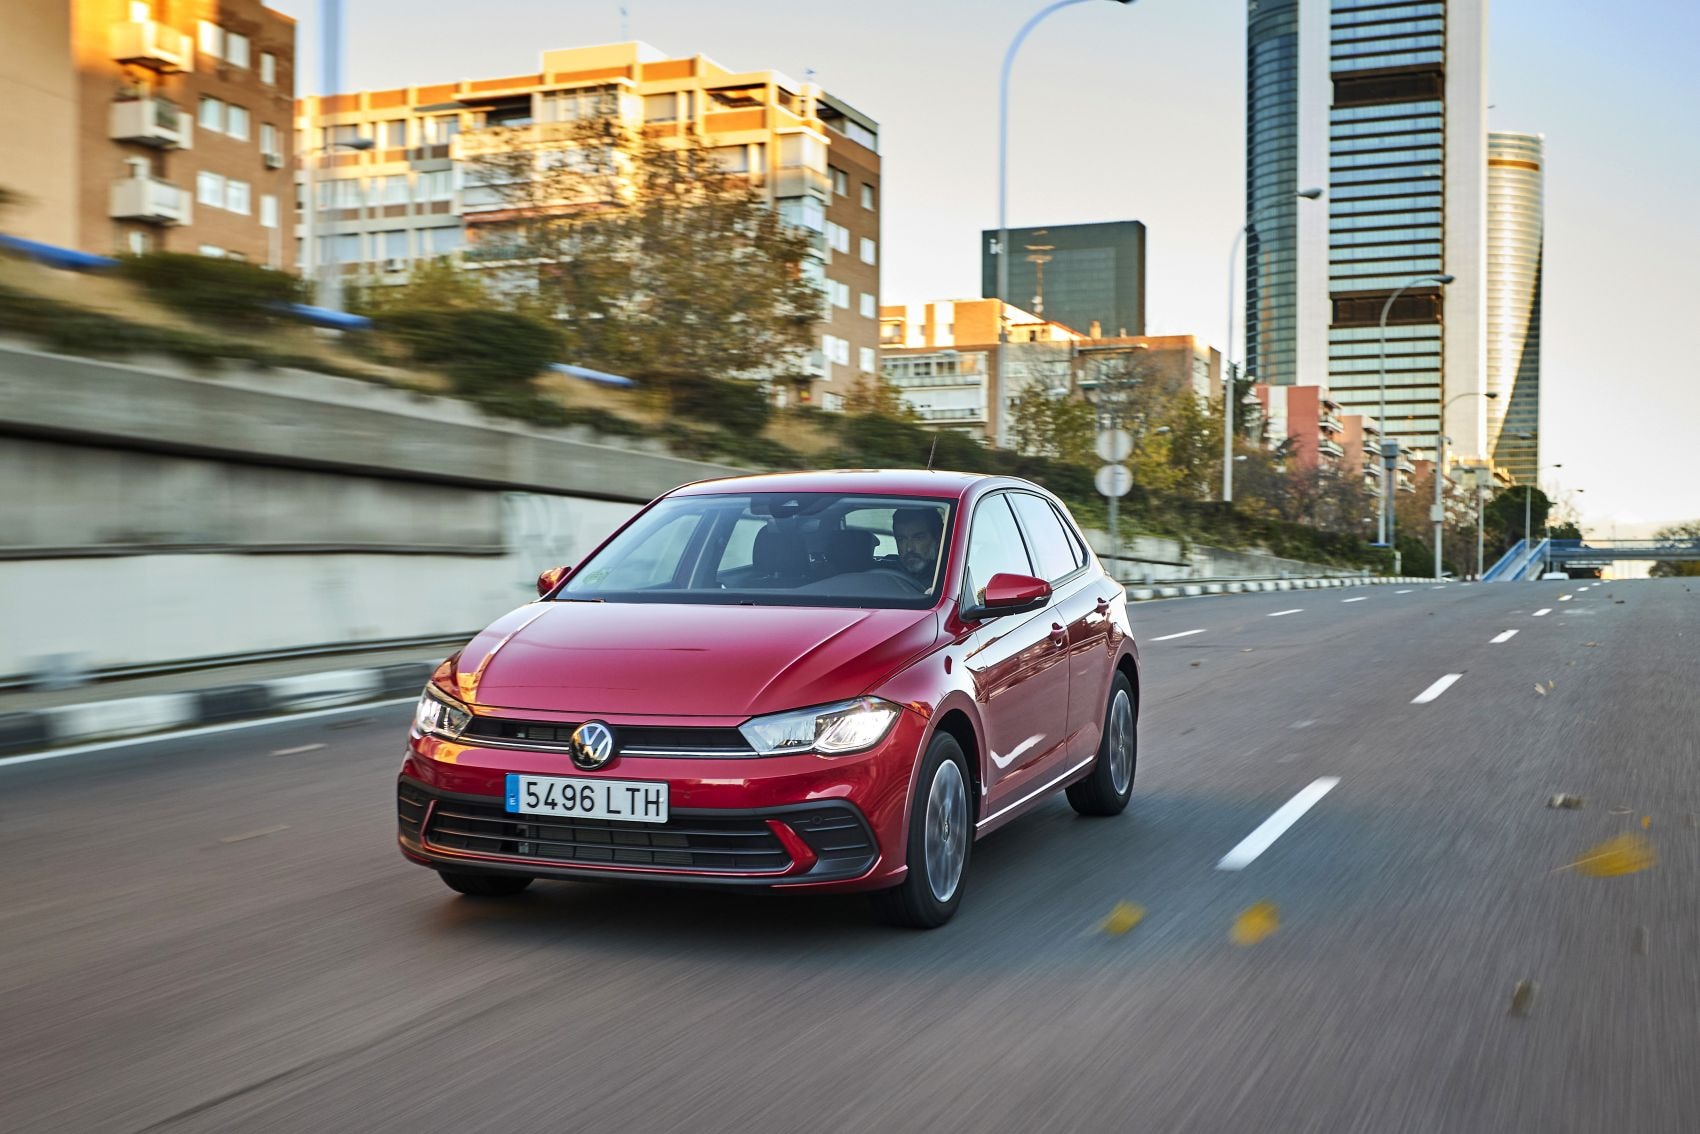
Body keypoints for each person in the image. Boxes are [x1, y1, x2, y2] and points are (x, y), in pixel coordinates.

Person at [891, 507, 944, 590]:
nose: (909, 548)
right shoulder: (888, 571)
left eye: (918, 538)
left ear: (937, 540)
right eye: (901, 539)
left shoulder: (950, 578)